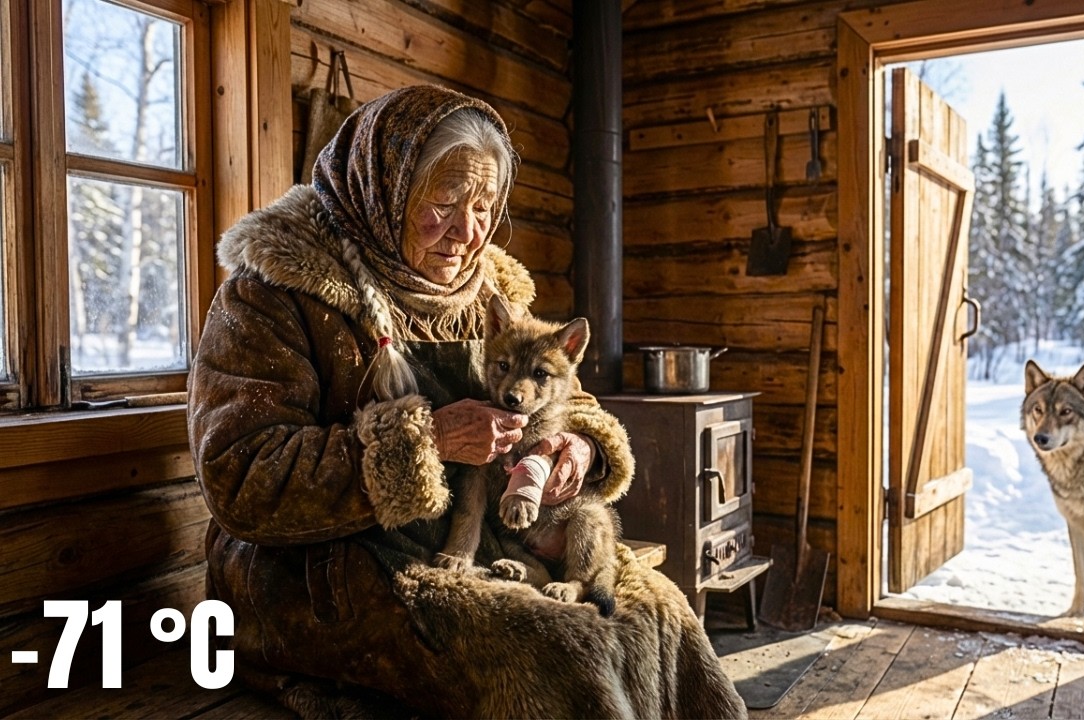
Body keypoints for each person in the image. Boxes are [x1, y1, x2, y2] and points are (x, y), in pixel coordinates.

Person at [188, 84, 747, 718]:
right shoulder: (273, 291)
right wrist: (429, 441)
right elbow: (240, 475)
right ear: (382, 190)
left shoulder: (490, 289)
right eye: (445, 203)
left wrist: (580, 449)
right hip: (326, 575)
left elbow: (570, 396)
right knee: (565, 651)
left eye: (483, 206)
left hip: (481, 543)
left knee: (664, 614)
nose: (467, 231)